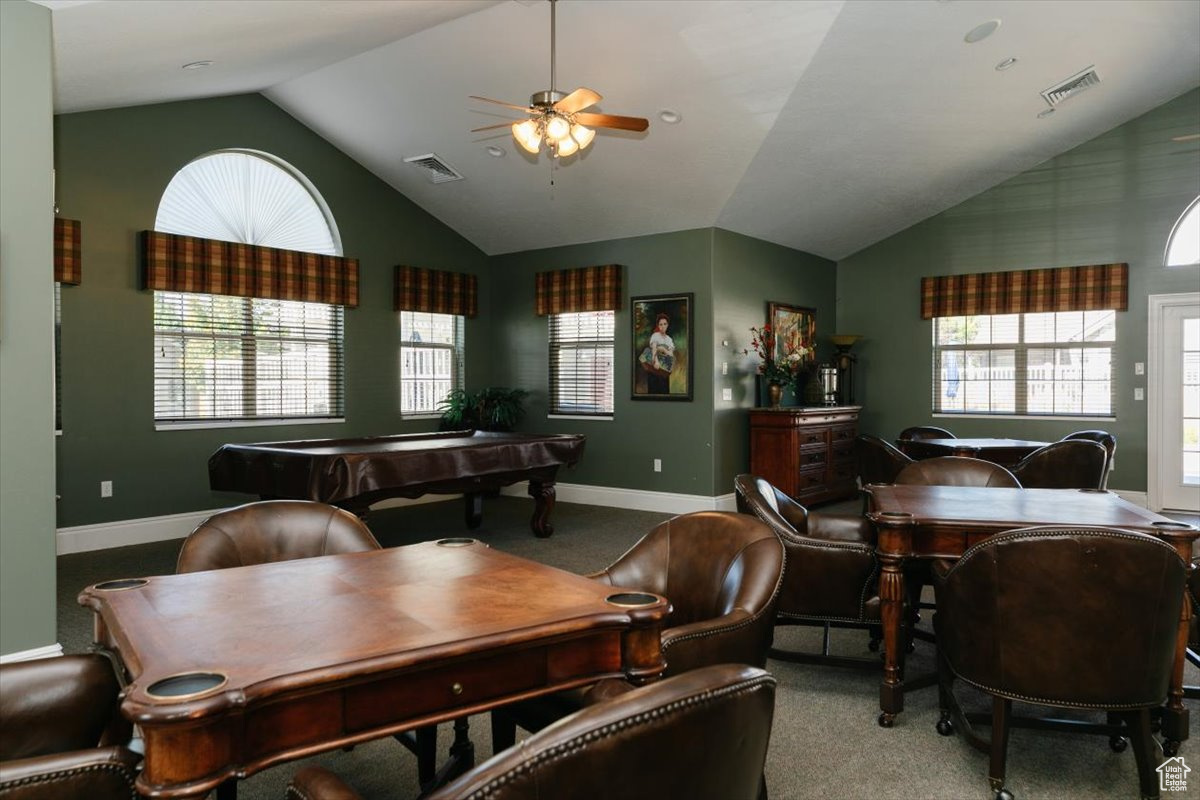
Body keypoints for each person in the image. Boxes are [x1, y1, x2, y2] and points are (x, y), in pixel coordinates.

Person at [640, 312, 676, 394]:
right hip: (654, 367)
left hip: (664, 369)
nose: (663, 326)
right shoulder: (655, 335)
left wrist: (663, 349)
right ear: (658, 325)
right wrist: (656, 361)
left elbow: (671, 354)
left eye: (665, 324)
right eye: (661, 324)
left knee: (664, 390)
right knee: (654, 390)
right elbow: (653, 349)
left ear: (668, 325)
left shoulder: (669, 339)